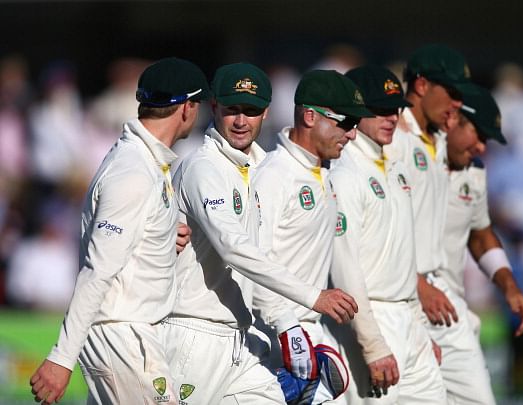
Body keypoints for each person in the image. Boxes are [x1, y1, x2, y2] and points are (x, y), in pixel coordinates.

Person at [163, 63, 358, 405]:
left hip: (241, 340)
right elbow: (233, 248)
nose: (241, 121)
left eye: (251, 111)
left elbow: (260, 254)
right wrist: (312, 297)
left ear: (266, 113)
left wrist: (284, 321)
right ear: (214, 109)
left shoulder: (259, 167)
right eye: (232, 110)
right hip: (193, 333)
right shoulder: (202, 167)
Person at [29, 57, 210, 404]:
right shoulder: (133, 170)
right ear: (187, 108)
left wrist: (160, 237)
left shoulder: (148, 163)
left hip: (129, 334)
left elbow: (129, 237)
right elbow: (98, 269)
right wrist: (61, 358)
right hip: (122, 336)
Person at [323, 65, 446, 404]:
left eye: (394, 109)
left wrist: (419, 327)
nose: (390, 117)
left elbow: (403, 260)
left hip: (408, 318)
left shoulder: (393, 166)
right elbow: (345, 269)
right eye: (378, 110)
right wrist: (374, 345)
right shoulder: (345, 173)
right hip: (371, 319)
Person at [251, 69, 372, 403]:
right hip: (274, 338)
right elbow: (250, 262)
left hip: (310, 333)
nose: (351, 134)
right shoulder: (275, 175)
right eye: (345, 123)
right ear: (309, 116)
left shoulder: (325, 173)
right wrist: (287, 327)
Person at [439, 84, 523, 404]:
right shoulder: (411, 161)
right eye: (477, 135)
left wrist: (507, 283)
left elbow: (480, 233)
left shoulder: (475, 172)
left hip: (451, 310)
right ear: (452, 122)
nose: (481, 147)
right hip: (399, 304)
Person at [383, 44, 476, 329]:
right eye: (452, 93)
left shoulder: (438, 137)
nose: (458, 103)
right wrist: (418, 285)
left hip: (434, 284)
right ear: (422, 85)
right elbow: (382, 225)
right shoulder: (394, 137)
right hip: (406, 287)